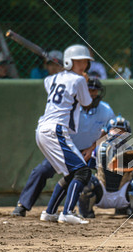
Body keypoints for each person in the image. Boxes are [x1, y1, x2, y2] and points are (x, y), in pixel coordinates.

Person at [11, 77, 115, 217]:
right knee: (42, 171)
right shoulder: (70, 108)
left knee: (116, 164)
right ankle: (22, 205)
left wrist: (92, 148)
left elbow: (110, 131)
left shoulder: (105, 110)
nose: (92, 94)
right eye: (89, 90)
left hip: (90, 152)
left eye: (94, 90)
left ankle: (121, 204)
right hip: (66, 150)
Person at [35, 44, 95, 225]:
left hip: (42, 131)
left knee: (72, 173)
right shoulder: (78, 81)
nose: (83, 65)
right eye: (79, 61)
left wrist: (68, 74)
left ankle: (50, 212)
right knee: (83, 171)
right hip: (56, 130)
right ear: (70, 62)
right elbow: (87, 102)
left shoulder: (50, 79)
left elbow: (55, 86)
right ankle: (68, 211)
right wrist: (82, 80)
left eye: (85, 61)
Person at [78, 115, 133, 219]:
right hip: (102, 194)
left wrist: (132, 165)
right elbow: (85, 168)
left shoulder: (131, 150)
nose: (118, 133)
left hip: (122, 196)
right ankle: (86, 212)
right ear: (108, 131)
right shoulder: (98, 149)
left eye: (121, 131)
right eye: (115, 130)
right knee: (83, 179)